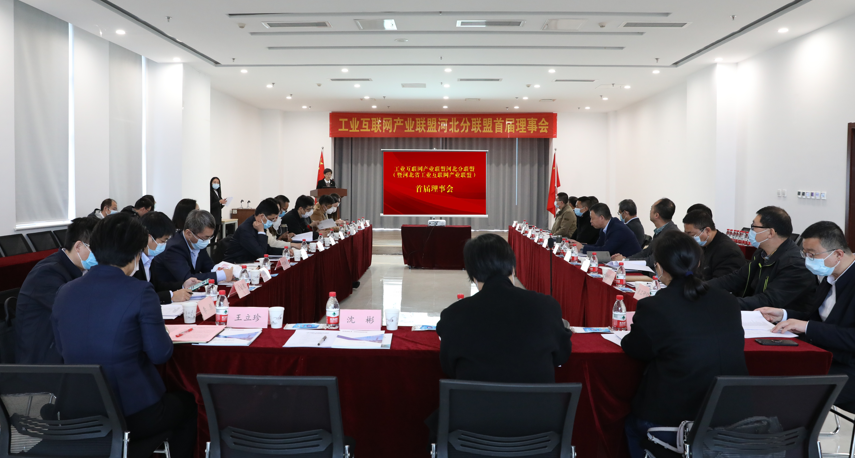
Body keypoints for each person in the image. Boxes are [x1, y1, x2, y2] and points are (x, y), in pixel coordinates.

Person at [51, 213, 197, 458]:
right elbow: (160, 354)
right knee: (189, 404)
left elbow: (61, 349)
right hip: (131, 411)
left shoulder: (65, 291)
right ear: (136, 253)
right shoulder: (140, 291)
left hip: (76, 411)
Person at [622, 231, 747, 458]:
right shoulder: (728, 300)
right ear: (698, 262)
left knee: (631, 427)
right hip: (729, 413)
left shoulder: (655, 306)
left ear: (659, 267)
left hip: (674, 416)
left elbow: (635, 349)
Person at [758, 222, 855, 410]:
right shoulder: (830, 277)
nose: (808, 260)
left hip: (848, 366)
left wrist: (807, 327)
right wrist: (783, 314)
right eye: (805, 254)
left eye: (812, 255)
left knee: (786, 390)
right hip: (826, 356)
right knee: (768, 368)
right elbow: (818, 318)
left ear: (838, 254)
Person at [15, 217, 99, 364]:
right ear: (78, 246)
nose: (102, 255)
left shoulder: (77, 267)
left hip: (64, 346)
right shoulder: (47, 273)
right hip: (43, 362)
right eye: (97, 249)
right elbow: (78, 312)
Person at [708, 206, 816, 311]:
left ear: (770, 233)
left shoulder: (795, 264)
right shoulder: (761, 253)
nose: (750, 231)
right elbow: (736, 278)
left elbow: (768, 301)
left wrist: (722, 303)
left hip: (780, 319)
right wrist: (702, 288)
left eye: (754, 227)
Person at [152, 209, 235, 284]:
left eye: (210, 237)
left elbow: (209, 267)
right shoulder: (174, 248)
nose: (207, 241)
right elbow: (188, 278)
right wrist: (220, 275)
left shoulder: (198, 242)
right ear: (189, 233)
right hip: (173, 291)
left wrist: (224, 271)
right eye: (205, 237)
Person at [136, 212, 196, 304]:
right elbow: (139, 296)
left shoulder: (150, 257)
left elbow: (157, 286)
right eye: (162, 241)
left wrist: (183, 285)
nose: (164, 245)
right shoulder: (133, 262)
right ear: (148, 237)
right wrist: (171, 296)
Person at [615, 198, 678, 269]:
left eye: (651, 209)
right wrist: (626, 260)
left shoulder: (671, 235)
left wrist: (624, 261)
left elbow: (652, 260)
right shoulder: (661, 231)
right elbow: (645, 252)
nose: (650, 211)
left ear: (656, 215)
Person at [682, 210, 745, 280]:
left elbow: (720, 283)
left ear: (707, 230)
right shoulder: (704, 245)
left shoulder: (728, 251)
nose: (688, 238)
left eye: (691, 234)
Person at [571, 203, 642, 257]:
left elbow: (605, 251)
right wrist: (580, 245)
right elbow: (598, 246)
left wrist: (582, 248)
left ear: (601, 218)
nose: (591, 221)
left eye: (592, 218)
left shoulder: (618, 229)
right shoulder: (605, 228)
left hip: (631, 263)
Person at [224, 198, 282, 263]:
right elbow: (261, 253)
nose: (272, 222)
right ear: (262, 216)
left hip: (250, 263)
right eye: (271, 219)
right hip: (235, 265)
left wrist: (285, 251)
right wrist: (261, 231)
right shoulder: (245, 229)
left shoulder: (259, 224)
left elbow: (267, 249)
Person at [210, 177, 226, 243]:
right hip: (213, 217)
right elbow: (210, 205)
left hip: (218, 217)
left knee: (215, 235)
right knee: (211, 236)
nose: (216, 184)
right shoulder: (210, 193)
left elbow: (218, 206)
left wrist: (223, 203)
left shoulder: (218, 193)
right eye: (214, 182)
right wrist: (219, 202)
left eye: (217, 182)